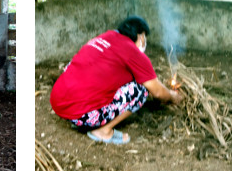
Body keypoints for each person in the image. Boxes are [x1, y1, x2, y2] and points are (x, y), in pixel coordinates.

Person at [50, 16, 184, 145]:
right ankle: (103, 131)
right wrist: (173, 97)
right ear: (141, 36)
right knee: (141, 90)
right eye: (144, 38)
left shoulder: (104, 37)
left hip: (59, 104)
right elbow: (158, 92)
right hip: (82, 114)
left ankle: (79, 120)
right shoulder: (133, 52)